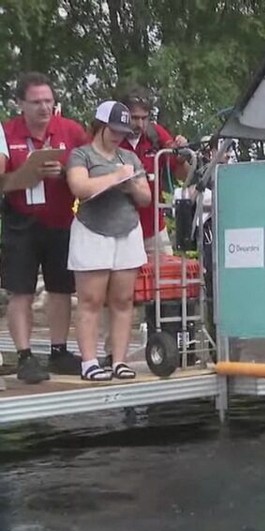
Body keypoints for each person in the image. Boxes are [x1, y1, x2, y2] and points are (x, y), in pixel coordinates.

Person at [0, 72, 90, 384]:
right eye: (36, 102)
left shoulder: (71, 130)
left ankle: (59, 351)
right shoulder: (6, 132)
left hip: (61, 218)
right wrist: (25, 175)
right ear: (20, 104)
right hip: (21, 219)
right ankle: (25, 356)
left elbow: (91, 165)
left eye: (48, 101)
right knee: (21, 290)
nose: (43, 108)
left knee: (61, 288)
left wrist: (65, 172)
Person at [64, 101, 152, 382]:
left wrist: (133, 185)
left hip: (126, 229)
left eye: (122, 131)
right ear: (100, 126)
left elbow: (146, 198)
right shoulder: (82, 155)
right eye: (113, 129)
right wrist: (114, 177)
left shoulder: (130, 157)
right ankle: (89, 361)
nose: (118, 136)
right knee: (91, 299)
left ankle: (119, 360)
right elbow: (79, 187)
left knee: (123, 299)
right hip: (92, 230)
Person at [117, 85, 189, 257]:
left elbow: (182, 175)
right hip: (118, 230)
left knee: (166, 278)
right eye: (134, 118)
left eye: (144, 118)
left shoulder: (155, 134)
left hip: (153, 228)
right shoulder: (111, 136)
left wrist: (182, 155)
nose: (140, 124)